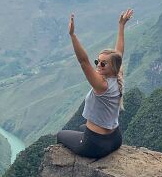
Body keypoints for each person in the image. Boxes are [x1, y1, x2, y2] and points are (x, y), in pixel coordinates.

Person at [56, 8, 133, 159]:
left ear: (112, 67)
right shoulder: (118, 76)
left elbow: (84, 62)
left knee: (61, 135)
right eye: (97, 61)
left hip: (96, 145)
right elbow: (119, 53)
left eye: (103, 64)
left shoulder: (102, 85)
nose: (98, 65)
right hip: (116, 139)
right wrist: (121, 25)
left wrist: (72, 35)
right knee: (81, 127)